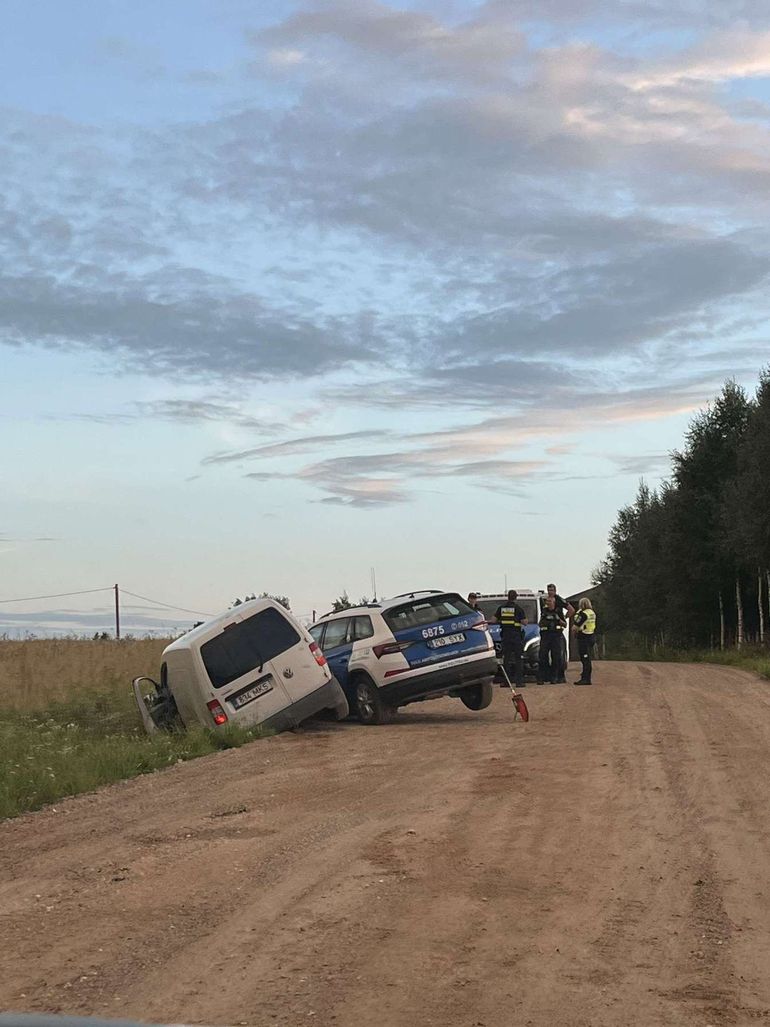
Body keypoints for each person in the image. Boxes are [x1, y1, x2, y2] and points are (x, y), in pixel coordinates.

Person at [493, 589, 528, 688]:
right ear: (516, 597)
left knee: (506, 659)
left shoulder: (501, 608)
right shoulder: (518, 609)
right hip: (516, 636)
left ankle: (506, 682)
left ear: (508, 597)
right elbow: (524, 622)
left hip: (506, 636)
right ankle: (519, 682)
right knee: (518, 659)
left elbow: (493, 619)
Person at [540, 584, 574, 682]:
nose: (550, 592)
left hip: (557, 632)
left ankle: (559, 676)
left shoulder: (559, 600)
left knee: (557, 655)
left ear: (555, 591)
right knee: (543, 655)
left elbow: (571, 610)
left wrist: (563, 618)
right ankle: (546, 676)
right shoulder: (545, 603)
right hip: (546, 633)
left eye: (552, 590)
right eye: (549, 590)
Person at [537, 596, 567, 684]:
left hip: (556, 636)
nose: (548, 603)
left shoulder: (558, 611)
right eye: (547, 601)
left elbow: (565, 624)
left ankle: (555, 677)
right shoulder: (544, 611)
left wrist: (558, 619)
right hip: (545, 636)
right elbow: (540, 623)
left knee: (556, 657)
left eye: (550, 601)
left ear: (554, 602)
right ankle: (543, 677)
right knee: (542, 656)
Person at [573, 597, 597, 685]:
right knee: (587, 658)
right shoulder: (592, 613)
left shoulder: (583, 614)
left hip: (583, 637)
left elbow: (575, 626)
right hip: (591, 636)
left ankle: (586, 678)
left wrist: (574, 631)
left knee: (585, 659)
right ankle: (586, 677)